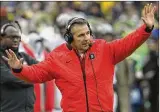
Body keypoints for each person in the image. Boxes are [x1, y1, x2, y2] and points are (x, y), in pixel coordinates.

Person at [3, 4, 156, 112]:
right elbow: (36, 73)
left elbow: (128, 43)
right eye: (81, 35)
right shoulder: (57, 57)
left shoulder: (104, 49)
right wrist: (19, 68)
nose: (86, 38)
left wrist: (146, 28)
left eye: (88, 33)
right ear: (69, 38)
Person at [0, 21, 38, 112]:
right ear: (1, 38)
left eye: (18, 37)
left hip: (29, 109)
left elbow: (42, 68)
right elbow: (10, 78)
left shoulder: (24, 56)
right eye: (12, 37)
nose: (16, 40)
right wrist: (33, 77)